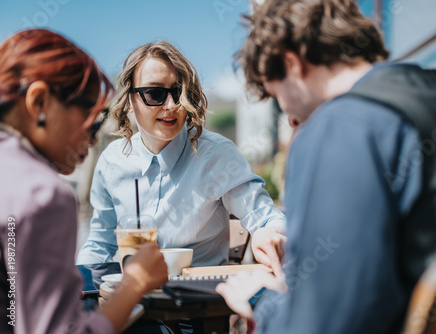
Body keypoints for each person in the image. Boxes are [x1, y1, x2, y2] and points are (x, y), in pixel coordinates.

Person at [216, 1, 436, 333]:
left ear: (292, 64)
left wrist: (262, 301)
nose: (290, 116)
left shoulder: (342, 126)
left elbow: (323, 324)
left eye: (276, 94)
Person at [0, 29, 169, 334]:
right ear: (39, 102)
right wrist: (135, 283)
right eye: (91, 117)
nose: (92, 139)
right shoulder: (43, 195)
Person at [76, 40, 287, 275]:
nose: (171, 105)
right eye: (154, 93)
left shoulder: (216, 154)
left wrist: (268, 233)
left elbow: (266, 218)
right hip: (132, 301)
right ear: (129, 101)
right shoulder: (111, 161)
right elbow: (99, 245)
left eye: (179, 92)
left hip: (201, 303)